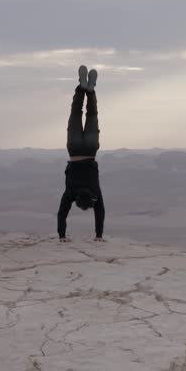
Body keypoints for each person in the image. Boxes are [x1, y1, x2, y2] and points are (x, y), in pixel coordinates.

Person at [58, 65, 105, 243]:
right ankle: (81, 89)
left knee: (92, 115)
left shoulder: (95, 192)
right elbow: (61, 214)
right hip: (74, 149)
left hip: (91, 149)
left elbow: (100, 213)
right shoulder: (70, 192)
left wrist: (99, 235)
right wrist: (61, 235)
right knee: (76, 114)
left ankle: (90, 91)